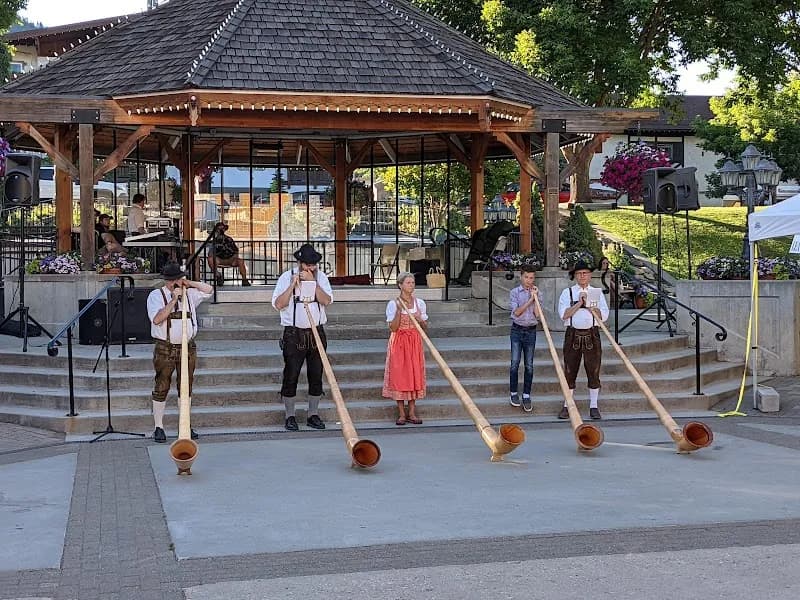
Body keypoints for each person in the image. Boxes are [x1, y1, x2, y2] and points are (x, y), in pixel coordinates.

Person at [146, 262, 213, 442]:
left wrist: (189, 283)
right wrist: (173, 300)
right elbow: (157, 319)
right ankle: (158, 427)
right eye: (171, 281)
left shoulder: (190, 294)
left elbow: (209, 290)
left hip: (187, 347)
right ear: (166, 281)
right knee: (162, 385)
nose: (174, 284)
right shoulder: (156, 295)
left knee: (186, 386)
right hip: (165, 347)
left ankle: (185, 425)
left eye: (177, 279)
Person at [271, 243, 333, 431]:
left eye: (313, 265)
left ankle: (312, 414)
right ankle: (290, 415)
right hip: (293, 333)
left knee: (316, 375)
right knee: (291, 374)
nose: (311, 268)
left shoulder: (321, 278)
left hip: (317, 332)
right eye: (307, 265)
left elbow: (327, 300)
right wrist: (293, 285)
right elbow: (278, 304)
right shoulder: (286, 276)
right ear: (300, 263)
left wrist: (312, 284)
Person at [557, 259, 609, 420]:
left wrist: (592, 307)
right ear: (575, 276)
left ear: (590, 275)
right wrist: (579, 303)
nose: (582, 276)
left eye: (585, 273)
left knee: (593, 370)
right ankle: (568, 405)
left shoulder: (596, 292)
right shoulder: (568, 292)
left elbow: (604, 316)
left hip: (592, 334)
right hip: (572, 334)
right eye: (579, 273)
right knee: (569, 370)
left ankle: (594, 405)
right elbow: (563, 315)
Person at [382, 272, 428, 425]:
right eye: (408, 283)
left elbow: (425, 327)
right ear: (400, 285)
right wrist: (398, 312)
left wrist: (421, 320)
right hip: (399, 341)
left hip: (414, 341)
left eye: (413, 283)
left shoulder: (419, 303)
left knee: (414, 374)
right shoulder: (393, 304)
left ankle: (412, 412)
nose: (411, 285)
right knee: (400, 375)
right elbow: (393, 328)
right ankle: (401, 413)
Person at [509, 265, 541, 413]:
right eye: (526, 277)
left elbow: (537, 315)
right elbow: (517, 312)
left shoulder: (537, 293)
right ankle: (513, 392)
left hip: (531, 331)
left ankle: (526, 394)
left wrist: (535, 299)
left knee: (529, 364)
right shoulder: (514, 292)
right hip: (517, 330)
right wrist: (530, 300)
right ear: (521, 277)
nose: (529, 280)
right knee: (515, 362)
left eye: (532, 278)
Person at [206, 222, 251, 287]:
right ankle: (218, 275)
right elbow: (210, 254)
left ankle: (244, 280)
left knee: (241, 261)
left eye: (222, 229)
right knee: (210, 259)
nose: (221, 231)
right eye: (219, 229)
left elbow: (236, 250)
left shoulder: (229, 239)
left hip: (230, 259)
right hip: (219, 259)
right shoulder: (214, 241)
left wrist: (234, 258)